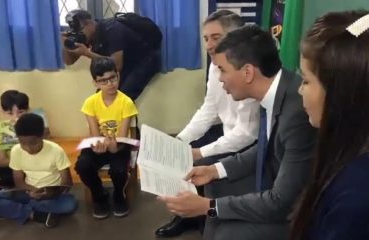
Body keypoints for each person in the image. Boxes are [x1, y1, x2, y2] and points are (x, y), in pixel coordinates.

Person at [159, 25, 317, 240]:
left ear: (248, 72)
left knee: (227, 233)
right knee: (213, 183)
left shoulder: (296, 113)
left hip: (299, 212)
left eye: (223, 70)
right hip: (276, 182)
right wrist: (214, 170)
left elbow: (281, 202)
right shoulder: (276, 92)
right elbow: (263, 149)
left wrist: (208, 207)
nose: (220, 79)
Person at [155, 10, 260, 238]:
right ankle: (188, 217)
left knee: (197, 162)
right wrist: (181, 140)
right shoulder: (215, 67)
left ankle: (202, 216)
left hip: (249, 145)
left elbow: (247, 134)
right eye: (205, 39)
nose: (209, 45)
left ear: (237, 38)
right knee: (179, 156)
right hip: (226, 135)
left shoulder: (249, 70)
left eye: (216, 37)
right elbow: (209, 110)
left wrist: (200, 152)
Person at [290, 10, 369, 240]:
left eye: (306, 80)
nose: (300, 90)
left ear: (341, 92)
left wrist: (212, 207)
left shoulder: (355, 196)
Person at [0, 113, 77, 228]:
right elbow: (18, 181)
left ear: (43, 135)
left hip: (52, 194)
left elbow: (67, 183)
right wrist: (32, 192)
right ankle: (33, 213)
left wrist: (49, 193)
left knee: (69, 204)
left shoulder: (56, 150)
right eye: (23, 143)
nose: (28, 148)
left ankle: (17, 209)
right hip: (27, 192)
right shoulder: (16, 151)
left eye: (33, 143)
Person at [75, 57, 138, 219]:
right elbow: (94, 133)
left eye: (112, 78)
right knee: (83, 165)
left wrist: (114, 147)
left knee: (118, 169)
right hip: (101, 144)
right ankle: (99, 195)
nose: (109, 84)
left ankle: (118, 195)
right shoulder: (90, 103)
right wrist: (98, 145)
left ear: (118, 75)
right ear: (95, 83)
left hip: (119, 145)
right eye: (103, 81)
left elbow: (123, 136)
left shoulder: (126, 102)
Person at [62, 9, 161, 100]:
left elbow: (117, 65)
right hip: (124, 62)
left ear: (89, 23)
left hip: (144, 59)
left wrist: (87, 53)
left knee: (121, 98)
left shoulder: (112, 29)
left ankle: (121, 118)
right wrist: (66, 44)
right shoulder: (89, 33)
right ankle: (109, 119)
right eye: (74, 31)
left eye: (79, 30)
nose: (78, 34)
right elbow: (69, 61)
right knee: (101, 98)